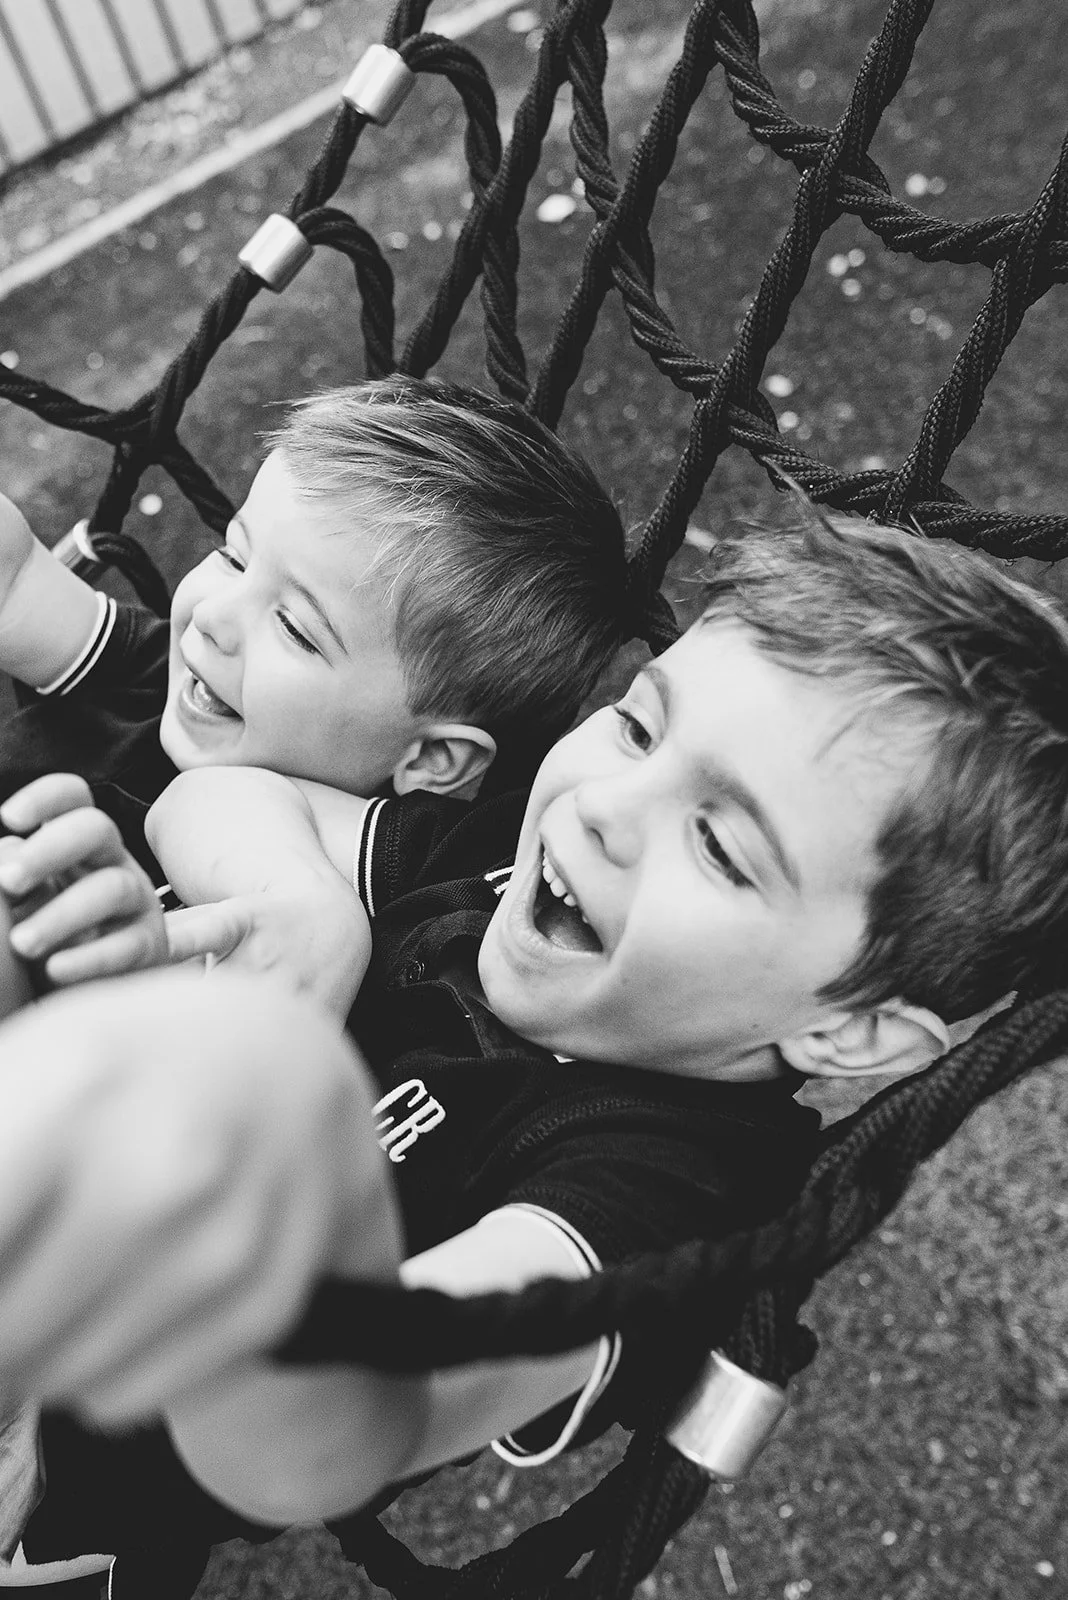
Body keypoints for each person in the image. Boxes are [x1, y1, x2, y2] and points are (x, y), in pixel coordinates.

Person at [7, 507, 1068, 1598]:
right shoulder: (499, 867)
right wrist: (303, 900)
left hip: (51, 1481)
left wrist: (276, 1112)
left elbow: (338, 1427)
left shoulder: (669, 1201)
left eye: (718, 843)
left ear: (850, 1030)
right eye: (638, 727)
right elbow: (225, 792)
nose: (606, 805)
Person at [0, 375, 630, 885]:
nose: (214, 615)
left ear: (432, 758)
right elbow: (21, 586)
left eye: (296, 629)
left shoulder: (409, 870)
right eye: (234, 556)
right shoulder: (168, 683)